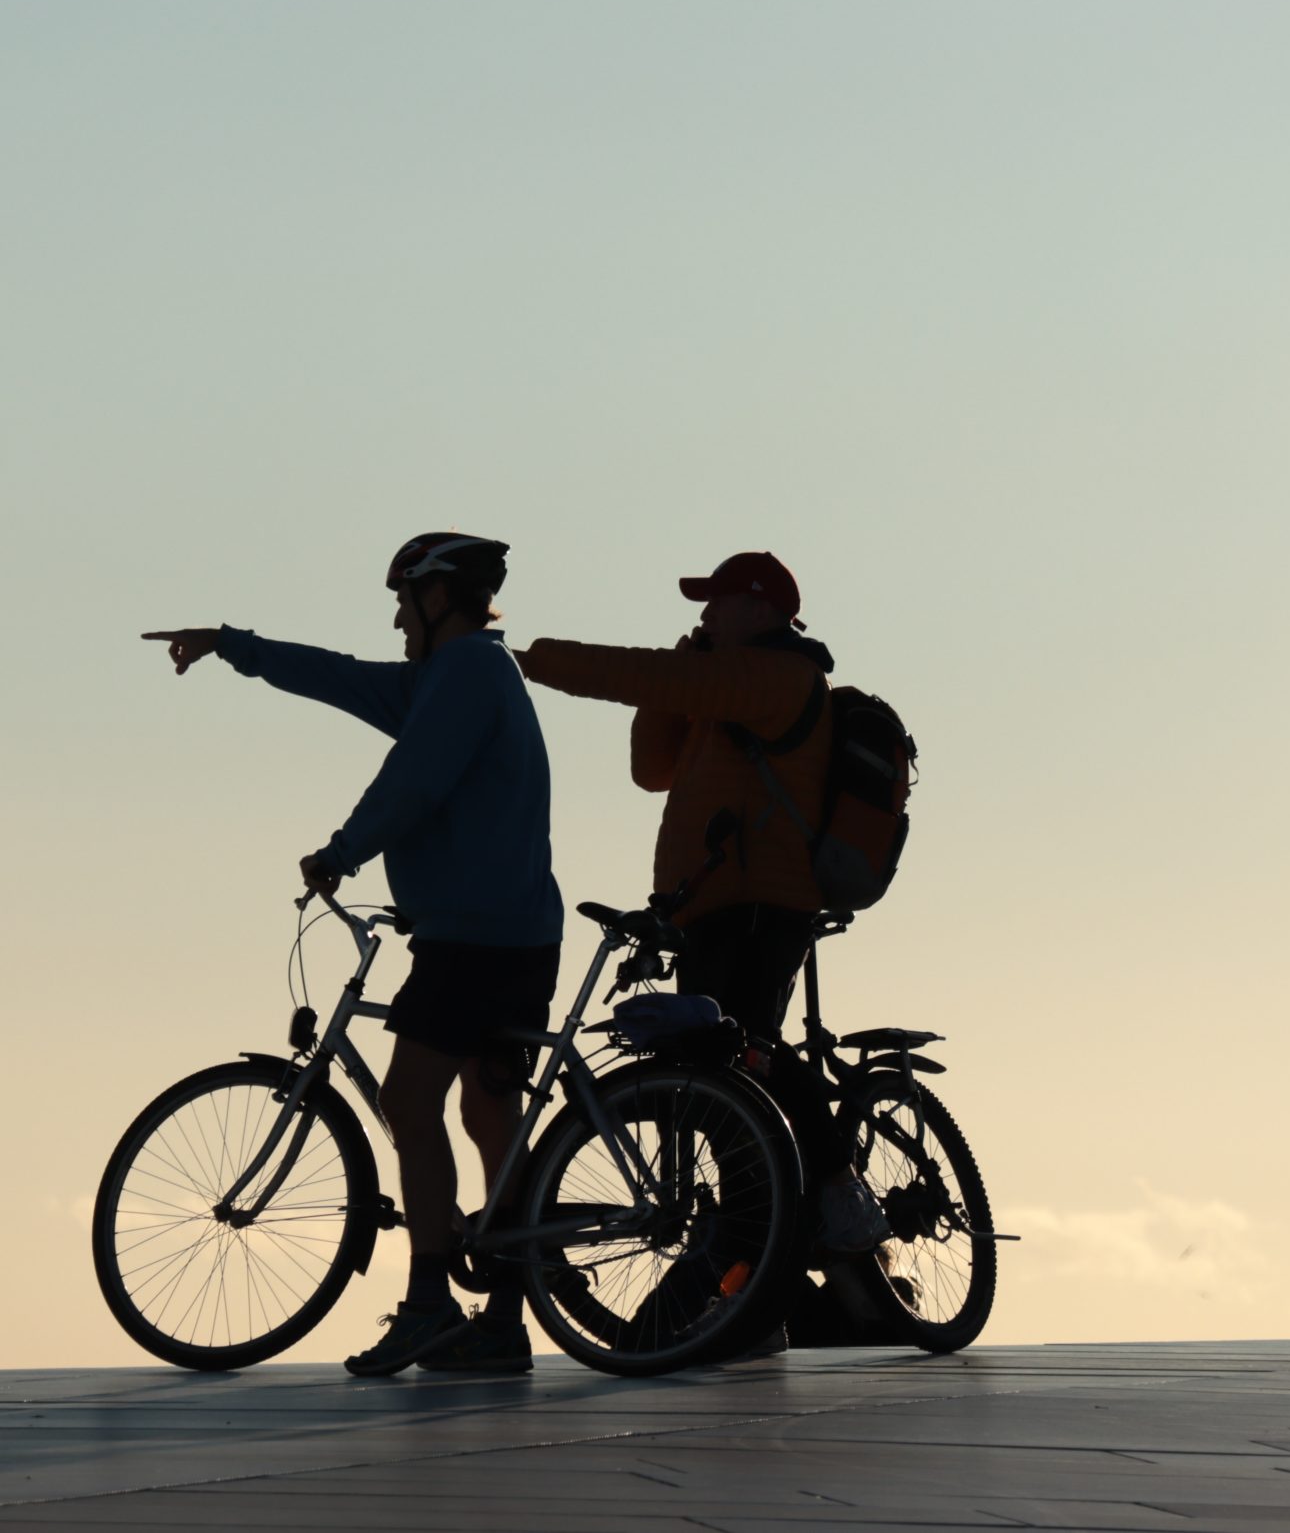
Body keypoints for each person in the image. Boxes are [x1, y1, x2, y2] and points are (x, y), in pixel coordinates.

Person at [142, 533, 560, 1376]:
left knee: (411, 1102)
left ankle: (430, 1304)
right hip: (506, 930)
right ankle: (503, 1321)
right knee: (487, 1114)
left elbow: (417, 780)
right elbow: (336, 675)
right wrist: (235, 647)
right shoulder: (450, 678)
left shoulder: (468, 675)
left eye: (403, 599)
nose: (396, 616)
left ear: (438, 598)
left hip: (474, 936)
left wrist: (342, 851)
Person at [516, 552, 887, 1257]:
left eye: (715, 602)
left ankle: (834, 1193)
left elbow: (648, 673)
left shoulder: (779, 677)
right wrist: (679, 682)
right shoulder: (722, 688)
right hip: (707, 911)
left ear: (757, 608)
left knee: (743, 1063)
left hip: (760, 905)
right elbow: (650, 768)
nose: (704, 615)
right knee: (718, 1085)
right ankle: (752, 1259)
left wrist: (536, 660)